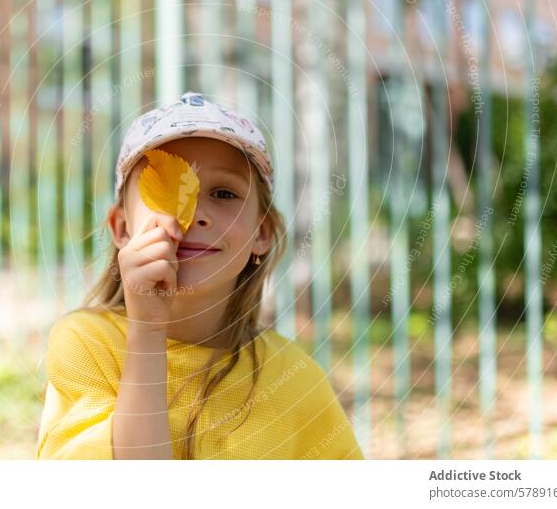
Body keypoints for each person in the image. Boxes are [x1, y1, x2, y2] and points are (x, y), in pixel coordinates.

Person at [36, 92, 364, 460]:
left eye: (224, 193)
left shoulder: (297, 380)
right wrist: (147, 331)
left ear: (262, 234)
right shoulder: (85, 345)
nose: (192, 215)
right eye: (167, 190)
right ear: (123, 228)